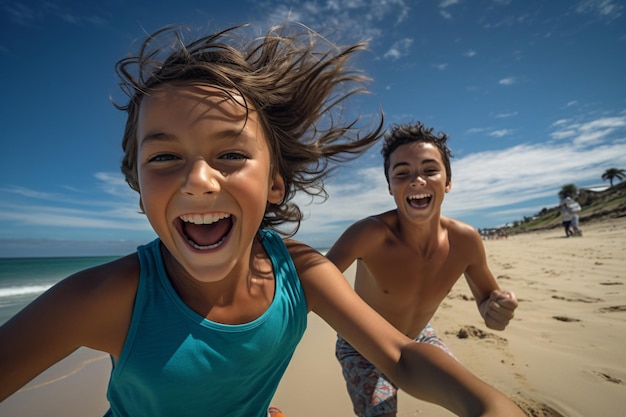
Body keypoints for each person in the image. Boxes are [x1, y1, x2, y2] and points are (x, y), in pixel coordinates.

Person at [0, 25, 526, 417]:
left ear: (275, 182)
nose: (199, 181)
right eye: (163, 158)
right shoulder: (104, 299)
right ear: (140, 191)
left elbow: (404, 356)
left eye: (230, 155)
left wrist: (490, 405)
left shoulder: (299, 272)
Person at [327, 122, 520, 417]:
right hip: (362, 347)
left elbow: (489, 305)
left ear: (447, 182)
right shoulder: (368, 235)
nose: (417, 180)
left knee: (471, 397)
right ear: (390, 187)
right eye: (402, 173)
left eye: (430, 170)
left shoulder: (465, 241)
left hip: (420, 337)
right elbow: (313, 286)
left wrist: (498, 308)